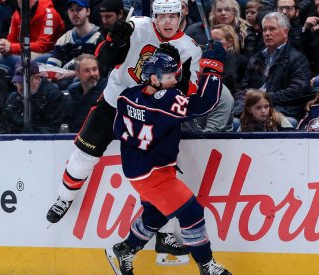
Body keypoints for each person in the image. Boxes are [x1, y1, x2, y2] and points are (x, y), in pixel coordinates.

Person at [46, 0, 202, 265]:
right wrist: (113, 40)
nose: (167, 22)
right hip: (115, 101)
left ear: (181, 14)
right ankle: (65, 197)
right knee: (85, 153)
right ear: (154, 16)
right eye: (162, 16)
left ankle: (163, 234)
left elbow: (191, 91)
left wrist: (179, 86)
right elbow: (104, 59)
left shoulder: (190, 48)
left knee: (156, 174)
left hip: (152, 115)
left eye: (172, 16)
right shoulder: (137, 27)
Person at [107, 41, 231, 275]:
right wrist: (212, 67)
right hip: (155, 174)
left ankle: (126, 250)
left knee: (154, 215)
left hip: (137, 170)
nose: (175, 80)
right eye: (171, 76)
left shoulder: (127, 96)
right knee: (192, 212)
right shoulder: (165, 101)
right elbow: (206, 103)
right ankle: (207, 266)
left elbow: (117, 130)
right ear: (154, 79)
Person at [236, 12, 311, 123]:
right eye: (265, 29)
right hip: (252, 111)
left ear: (285, 32)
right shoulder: (256, 58)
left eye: (272, 29)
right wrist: (240, 108)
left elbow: (297, 92)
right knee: (234, 121)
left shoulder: (297, 59)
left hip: (282, 110)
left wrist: (263, 98)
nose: (267, 33)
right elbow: (243, 88)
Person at [0, 0, 65, 75]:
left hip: (46, 53)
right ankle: (13, 82)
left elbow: (43, 46)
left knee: (27, 62)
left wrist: (12, 47)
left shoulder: (49, 13)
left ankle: (20, 81)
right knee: (0, 56)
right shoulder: (17, 14)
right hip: (26, 51)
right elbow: (11, 40)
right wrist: (4, 45)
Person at [46, 0, 104, 88]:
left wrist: (74, 74)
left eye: (79, 9)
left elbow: (99, 70)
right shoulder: (64, 39)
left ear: (88, 11)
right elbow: (51, 65)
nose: (75, 13)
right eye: (71, 10)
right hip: (61, 82)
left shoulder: (99, 38)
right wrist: (50, 74)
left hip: (86, 84)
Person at [3, 60, 70, 133]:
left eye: (24, 83)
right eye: (17, 82)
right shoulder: (11, 100)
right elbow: (5, 129)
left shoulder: (54, 97)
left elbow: (52, 129)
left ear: (37, 79)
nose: (20, 87)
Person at [64, 54, 104, 133]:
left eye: (94, 69)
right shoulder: (73, 93)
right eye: (87, 71)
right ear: (77, 74)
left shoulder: (107, 91)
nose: (92, 74)